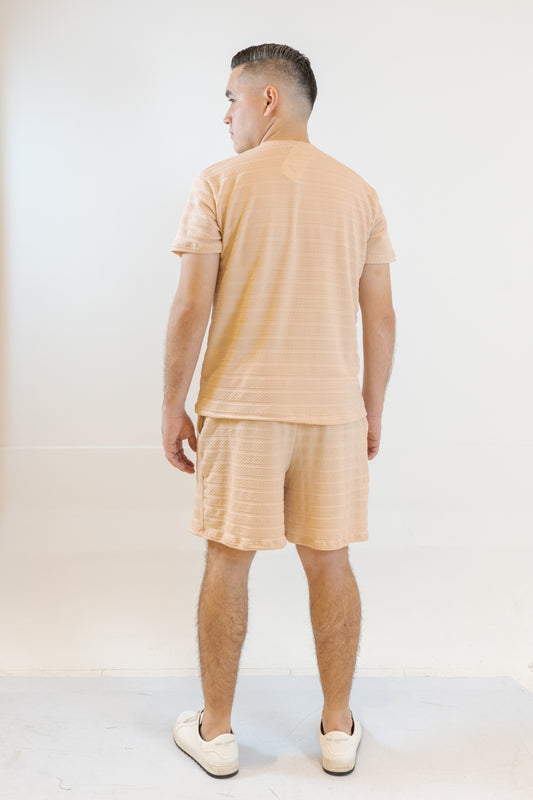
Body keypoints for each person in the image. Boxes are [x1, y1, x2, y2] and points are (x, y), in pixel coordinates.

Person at [161, 42, 397, 779]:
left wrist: (171, 405)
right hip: (333, 413)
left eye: (231, 99)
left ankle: (217, 734)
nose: (225, 115)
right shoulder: (358, 192)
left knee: (227, 562)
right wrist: (371, 410)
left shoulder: (219, 182)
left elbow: (192, 305)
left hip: (243, 410)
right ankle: (336, 730)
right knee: (330, 563)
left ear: (268, 100)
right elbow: (381, 316)